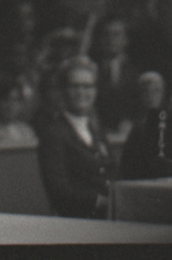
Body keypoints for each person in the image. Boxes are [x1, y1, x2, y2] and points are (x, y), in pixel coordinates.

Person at [36, 55, 117, 219]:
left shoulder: (97, 131)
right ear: (63, 90)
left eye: (87, 86)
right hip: (77, 224)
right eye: (75, 86)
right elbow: (59, 193)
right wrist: (102, 201)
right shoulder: (53, 134)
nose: (81, 92)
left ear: (95, 91)